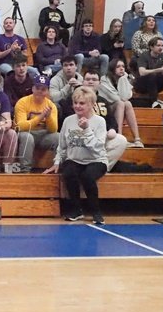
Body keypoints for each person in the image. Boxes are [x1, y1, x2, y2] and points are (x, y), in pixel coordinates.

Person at [43, 87, 108, 225]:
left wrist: (86, 129)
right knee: (69, 172)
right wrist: (57, 162)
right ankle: (76, 210)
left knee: (88, 176)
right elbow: (62, 145)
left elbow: (97, 147)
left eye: (82, 103)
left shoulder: (100, 121)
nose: (77, 106)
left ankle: (96, 211)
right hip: (74, 159)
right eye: (75, 103)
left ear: (92, 104)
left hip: (96, 160)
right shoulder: (68, 121)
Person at [66, 70, 129, 172]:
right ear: (83, 82)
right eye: (87, 79)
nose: (91, 82)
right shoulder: (73, 99)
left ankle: (102, 168)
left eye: (94, 79)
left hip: (100, 137)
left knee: (121, 140)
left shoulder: (104, 101)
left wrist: (112, 129)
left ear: (99, 83)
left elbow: (112, 121)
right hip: (79, 136)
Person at [14, 75, 59, 173]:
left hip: (43, 135)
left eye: (43, 89)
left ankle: (56, 168)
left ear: (47, 91)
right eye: (37, 88)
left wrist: (48, 117)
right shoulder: (22, 102)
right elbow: (21, 126)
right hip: (26, 133)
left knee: (58, 137)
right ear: (33, 88)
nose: (40, 91)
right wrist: (40, 117)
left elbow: (53, 129)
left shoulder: (51, 105)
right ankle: (25, 170)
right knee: (27, 137)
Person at [100, 59, 143, 147]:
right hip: (105, 110)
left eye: (123, 66)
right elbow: (115, 98)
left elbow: (127, 96)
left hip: (118, 108)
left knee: (127, 103)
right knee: (120, 103)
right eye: (118, 66)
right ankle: (119, 137)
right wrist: (123, 79)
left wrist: (123, 79)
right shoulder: (104, 79)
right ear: (112, 68)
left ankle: (137, 139)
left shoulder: (123, 79)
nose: (121, 69)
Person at [134, 36, 163, 108]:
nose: (161, 48)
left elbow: (162, 72)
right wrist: (159, 69)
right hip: (141, 84)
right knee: (152, 76)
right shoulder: (144, 55)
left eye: (162, 46)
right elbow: (142, 72)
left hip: (155, 84)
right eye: (158, 45)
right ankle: (154, 101)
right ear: (151, 47)